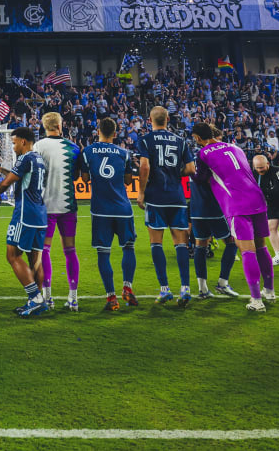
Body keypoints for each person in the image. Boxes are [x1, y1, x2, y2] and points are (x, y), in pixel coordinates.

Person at [188, 124, 273, 312]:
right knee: (262, 246)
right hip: (257, 198)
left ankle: (256, 300)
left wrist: (188, 171)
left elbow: (200, 178)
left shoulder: (203, 153)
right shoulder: (235, 147)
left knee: (247, 251)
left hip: (237, 203)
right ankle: (270, 291)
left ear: (197, 138)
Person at [136, 106, 195, 307]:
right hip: (177, 197)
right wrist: (175, 174)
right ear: (168, 119)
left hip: (155, 197)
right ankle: (185, 288)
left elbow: (145, 166)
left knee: (156, 243)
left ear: (149, 120)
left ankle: (165, 290)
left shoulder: (145, 140)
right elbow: (190, 168)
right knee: (180, 243)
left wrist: (142, 192)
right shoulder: (180, 140)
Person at [78, 117, 137, 311]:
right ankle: (127, 288)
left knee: (104, 253)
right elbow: (129, 181)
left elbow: (85, 178)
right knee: (128, 248)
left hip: (101, 210)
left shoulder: (87, 151)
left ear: (98, 130)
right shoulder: (124, 153)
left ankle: (111, 297)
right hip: (123, 208)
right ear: (115, 132)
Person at [0, 127, 48, 317]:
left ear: (23, 141)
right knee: (35, 260)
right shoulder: (38, 158)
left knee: (13, 255)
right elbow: (23, 177)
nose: (13, 146)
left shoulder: (24, 158)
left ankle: (36, 299)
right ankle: (36, 301)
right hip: (40, 214)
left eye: (14, 142)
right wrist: (3, 170)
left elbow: (8, 182)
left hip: (25, 214)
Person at [33, 111, 83, 311]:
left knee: (44, 250)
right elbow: (77, 175)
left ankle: (48, 297)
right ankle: (73, 298)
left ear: (45, 127)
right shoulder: (73, 148)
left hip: (46, 205)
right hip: (68, 205)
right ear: (60, 126)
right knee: (70, 251)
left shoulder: (38, 146)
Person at [187, 142, 241, 301]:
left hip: (196, 211)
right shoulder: (212, 164)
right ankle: (223, 282)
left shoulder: (191, 166)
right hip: (215, 210)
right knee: (232, 242)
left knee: (200, 246)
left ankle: (202, 289)